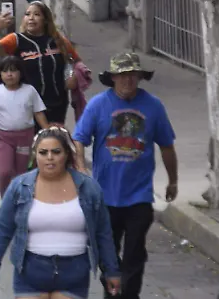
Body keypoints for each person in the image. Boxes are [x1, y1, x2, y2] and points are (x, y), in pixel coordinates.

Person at [73, 52, 178, 299]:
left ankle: (129, 295)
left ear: (140, 77)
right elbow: (79, 138)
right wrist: (80, 166)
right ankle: (112, 292)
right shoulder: (98, 105)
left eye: (132, 75)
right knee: (107, 254)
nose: (128, 80)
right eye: (122, 76)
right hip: (105, 196)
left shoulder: (154, 106)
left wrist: (173, 180)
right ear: (112, 78)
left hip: (139, 196)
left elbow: (166, 146)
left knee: (134, 254)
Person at [0, 127, 122, 298]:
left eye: (56, 152)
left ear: (66, 155)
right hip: (30, 272)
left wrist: (112, 270)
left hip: (74, 273)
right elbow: (2, 230)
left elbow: (103, 233)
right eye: (43, 152)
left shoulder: (89, 188)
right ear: (36, 155)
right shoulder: (19, 187)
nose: (49, 157)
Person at [0, 1, 86, 125]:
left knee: (54, 140)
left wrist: (72, 75)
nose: (31, 18)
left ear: (45, 20)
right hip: (27, 104)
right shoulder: (16, 39)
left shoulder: (58, 40)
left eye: (37, 14)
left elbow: (75, 62)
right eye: (27, 14)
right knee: (32, 142)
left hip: (57, 102)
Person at [0, 55, 49, 196]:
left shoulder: (29, 90)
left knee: (22, 173)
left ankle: (22, 202)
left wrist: (48, 133)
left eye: (13, 71)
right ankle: (6, 201)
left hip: (25, 137)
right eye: (5, 71)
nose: (9, 74)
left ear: (20, 73)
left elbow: (38, 112)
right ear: (0, 74)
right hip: (4, 138)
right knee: (5, 172)